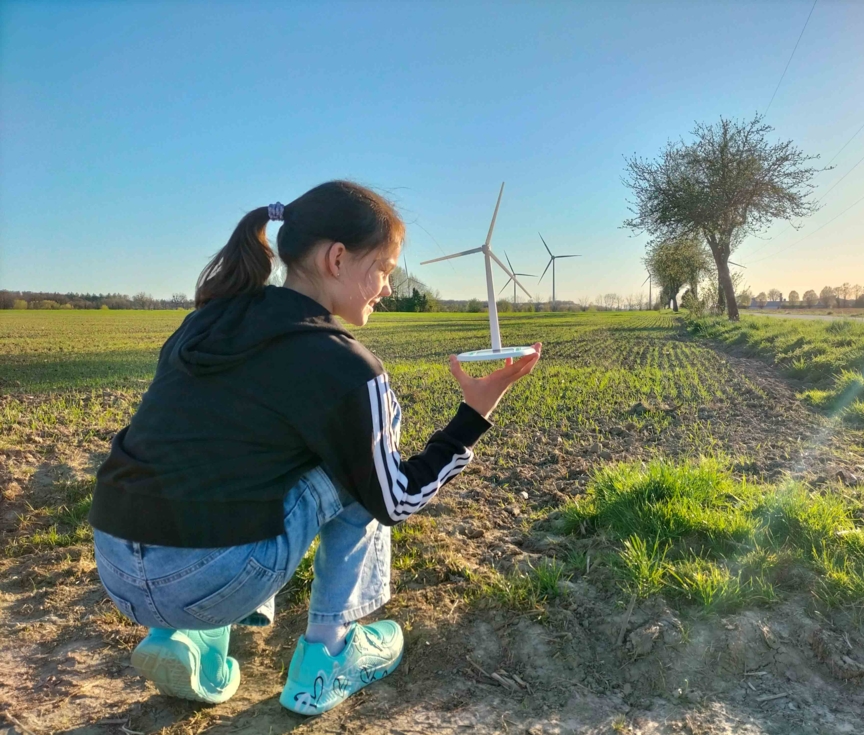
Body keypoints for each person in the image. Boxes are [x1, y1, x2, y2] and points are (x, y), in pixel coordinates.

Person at [89, 181, 541, 715]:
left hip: (117, 566)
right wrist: (473, 417)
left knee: (253, 456)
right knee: (361, 471)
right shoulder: (348, 367)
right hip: (207, 581)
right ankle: (328, 654)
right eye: (386, 269)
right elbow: (392, 501)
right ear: (337, 258)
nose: (388, 289)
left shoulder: (207, 322)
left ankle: (186, 636)